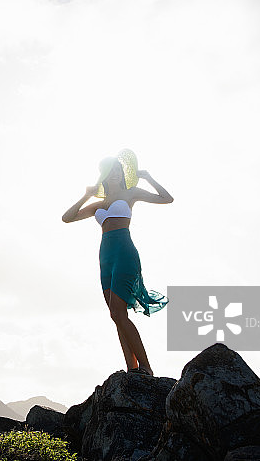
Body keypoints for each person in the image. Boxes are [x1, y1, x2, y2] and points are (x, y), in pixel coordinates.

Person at [62, 156, 173, 376]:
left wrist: (148, 177)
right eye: (110, 170)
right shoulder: (99, 204)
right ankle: (132, 368)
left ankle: (146, 367)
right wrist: (86, 195)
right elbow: (67, 218)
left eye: (118, 169)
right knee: (115, 314)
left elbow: (167, 198)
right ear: (103, 175)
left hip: (124, 254)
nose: (115, 173)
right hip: (105, 258)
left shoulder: (130, 193)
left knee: (120, 313)